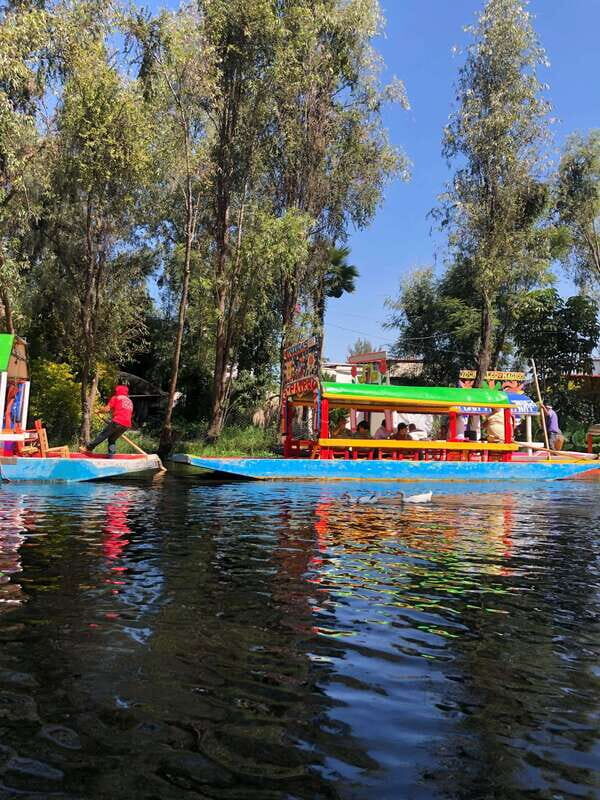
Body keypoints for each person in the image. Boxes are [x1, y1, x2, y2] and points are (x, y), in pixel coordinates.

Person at [81, 385, 133, 458]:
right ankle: (111, 455)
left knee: (103, 435)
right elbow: (124, 412)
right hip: (126, 425)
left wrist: (98, 410)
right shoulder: (129, 401)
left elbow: (107, 409)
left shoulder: (116, 398)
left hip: (118, 421)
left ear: (118, 391)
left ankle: (88, 448)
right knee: (112, 439)